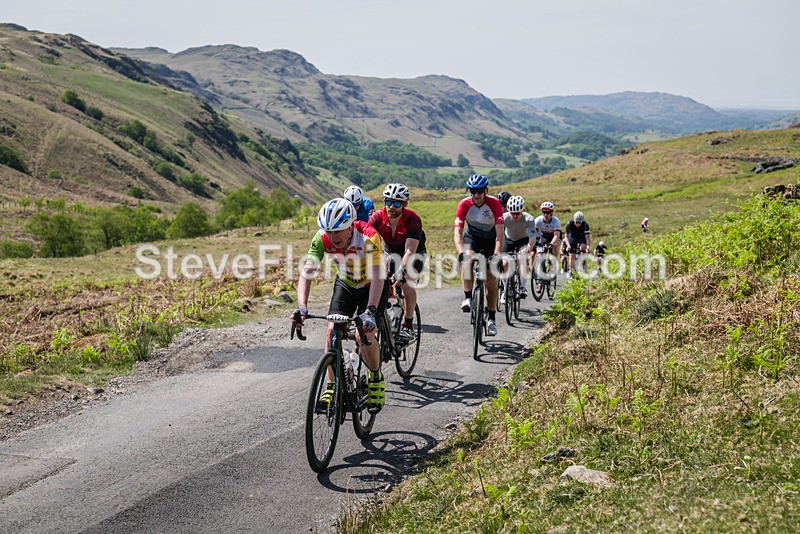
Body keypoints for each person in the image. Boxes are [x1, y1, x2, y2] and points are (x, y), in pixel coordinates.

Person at [293, 198, 389, 413]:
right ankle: (332, 385)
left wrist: (370, 312)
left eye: (339, 231)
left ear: (351, 225)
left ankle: (375, 378)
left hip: (372, 285)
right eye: (329, 231)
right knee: (331, 331)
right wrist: (302, 306)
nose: (333, 237)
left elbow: (378, 277)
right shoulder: (321, 238)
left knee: (363, 333)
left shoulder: (368, 237)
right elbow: (307, 273)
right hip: (346, 283)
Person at [369, 183, 427, 344]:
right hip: (390, 252)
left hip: (414, 253)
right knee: (379, 280)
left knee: (406, 282)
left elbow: (410, 249)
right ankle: (385, 316)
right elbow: (367, 243)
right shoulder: (377, 218)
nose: (391, 207)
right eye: (388, 202)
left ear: (405, 204)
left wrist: (401, 270)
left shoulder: (413, 219)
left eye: (397, 203)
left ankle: (408, 323)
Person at [454, 174, 504, 336]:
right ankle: (468, 297)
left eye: (480, 191)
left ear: (486, 190)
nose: (476, 195)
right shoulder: (464, 204)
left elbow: (500, 235)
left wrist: (496, 254)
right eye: (473, 191)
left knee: (490, 279)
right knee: (467, 261)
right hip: (472, 238)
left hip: (491, 240)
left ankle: (491, 318)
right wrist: (461, 252)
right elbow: (457, 234)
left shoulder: (494, 204)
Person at [500, 195, 535, 303]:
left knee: (522, 258)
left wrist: (529, 247)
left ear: (522, 210)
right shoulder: (504, 217)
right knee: (505, 263)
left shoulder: (529, 219)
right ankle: (505, 289)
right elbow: (499, 233)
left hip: (523, 240)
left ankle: (523, 286)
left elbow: (532, 237)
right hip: (509, 240)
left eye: (517, 213)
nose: (514, 216)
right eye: (512, 213)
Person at [533, 201, 562, 272]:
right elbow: (533, 233)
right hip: (544, 236)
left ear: (551, 213)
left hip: (554, 236)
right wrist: (534, 242)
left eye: (548, 212)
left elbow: (556, 236)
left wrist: (551, 244)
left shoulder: (556, 221)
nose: (545, 214)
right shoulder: (538, 220)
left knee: (555, 245)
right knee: (540, 252)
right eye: (544, 212)